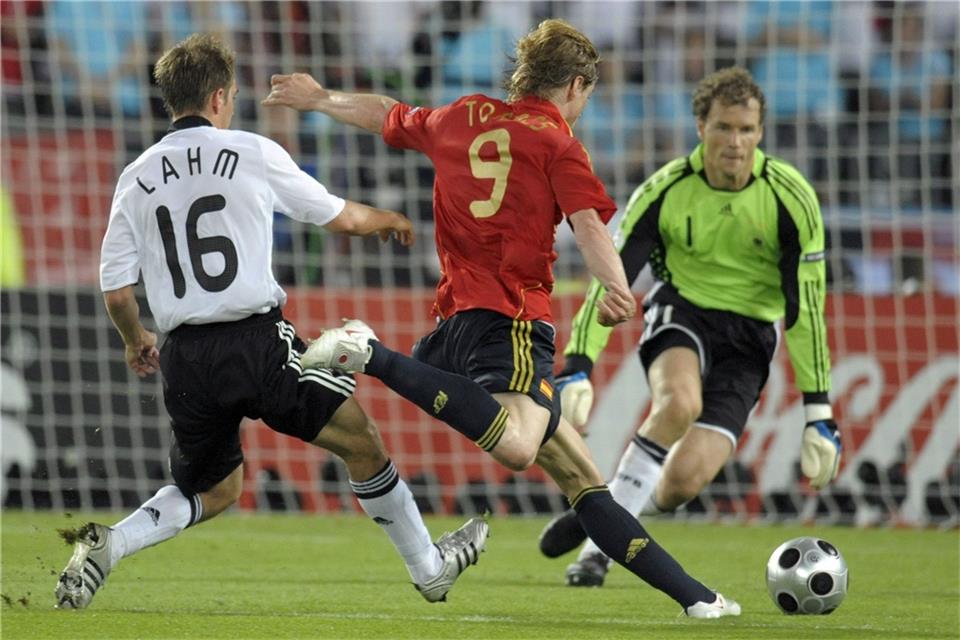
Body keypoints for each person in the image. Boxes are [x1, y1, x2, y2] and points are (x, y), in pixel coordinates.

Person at [263, 19, 739, 618]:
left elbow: (389, 113)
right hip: (511, 324)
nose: (585, 107)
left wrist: (319, 98)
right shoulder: (558, 143)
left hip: (452, 330)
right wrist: (618, 289)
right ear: (573, 85)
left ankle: (697, 599)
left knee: (581, 476)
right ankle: (370, 352)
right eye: (587, 95)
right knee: (517, 447)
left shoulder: (462, 116)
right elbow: (589, 226)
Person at [54, 33, 488, 610]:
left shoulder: (136, 175)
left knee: (215, 488)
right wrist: (386, 217)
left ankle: (109, 545)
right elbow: (335, 215)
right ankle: (429, 569)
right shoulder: (250, 151)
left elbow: (116, 290)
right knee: (362, 441)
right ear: (218, 96)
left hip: (184, 356)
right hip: (256, 344)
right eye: (231, 95)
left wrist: (137, 340)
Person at [538, 66, 842, 587]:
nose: (735, 142)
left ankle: (608, 508)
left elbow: (804, 310)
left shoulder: (791, 199)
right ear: (701, 126)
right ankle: (597, 550)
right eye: (724, 127)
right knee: (679, 404)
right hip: (682, 312)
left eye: (747, 129)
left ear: (761, 132)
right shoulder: (665, 190)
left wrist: (820, 411)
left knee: (683, 482)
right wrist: (578, 365)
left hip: (749, 339)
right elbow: (612, 279)